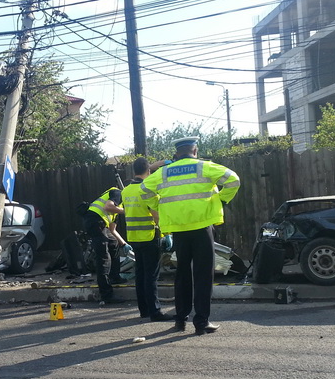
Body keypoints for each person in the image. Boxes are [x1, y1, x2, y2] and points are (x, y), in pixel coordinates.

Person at [140, 137, 241, 335]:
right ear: (195, 151)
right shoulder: (204, 167)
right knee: (203, 276)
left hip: (179, 230)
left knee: (182, 275)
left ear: (177, 154)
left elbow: (144, 190)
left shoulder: (164, 172)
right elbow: (233, 180)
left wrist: (158, 206)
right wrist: (221, 200)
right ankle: (201, 322)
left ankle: (180, 320)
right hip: (202, 227)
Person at [121, 157, 175, 322]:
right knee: (151, 276)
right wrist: (167, 234)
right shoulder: (147, 190)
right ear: (149, 171)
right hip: (149, 237)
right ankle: (155, 312)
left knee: (140, 274)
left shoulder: (125, 190)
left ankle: (144, 310)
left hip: (134, 238)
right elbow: (156, 215)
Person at [83, 185, 128, 303]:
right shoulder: (118, 193)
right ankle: (106, 295)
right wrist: (127, 211)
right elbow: (108, 207)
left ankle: (115, 277)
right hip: (94, 221)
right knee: (103, 257)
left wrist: (123, 244)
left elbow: (112, 230)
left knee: (113, 244)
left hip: (100, 223)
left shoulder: (119, 206)